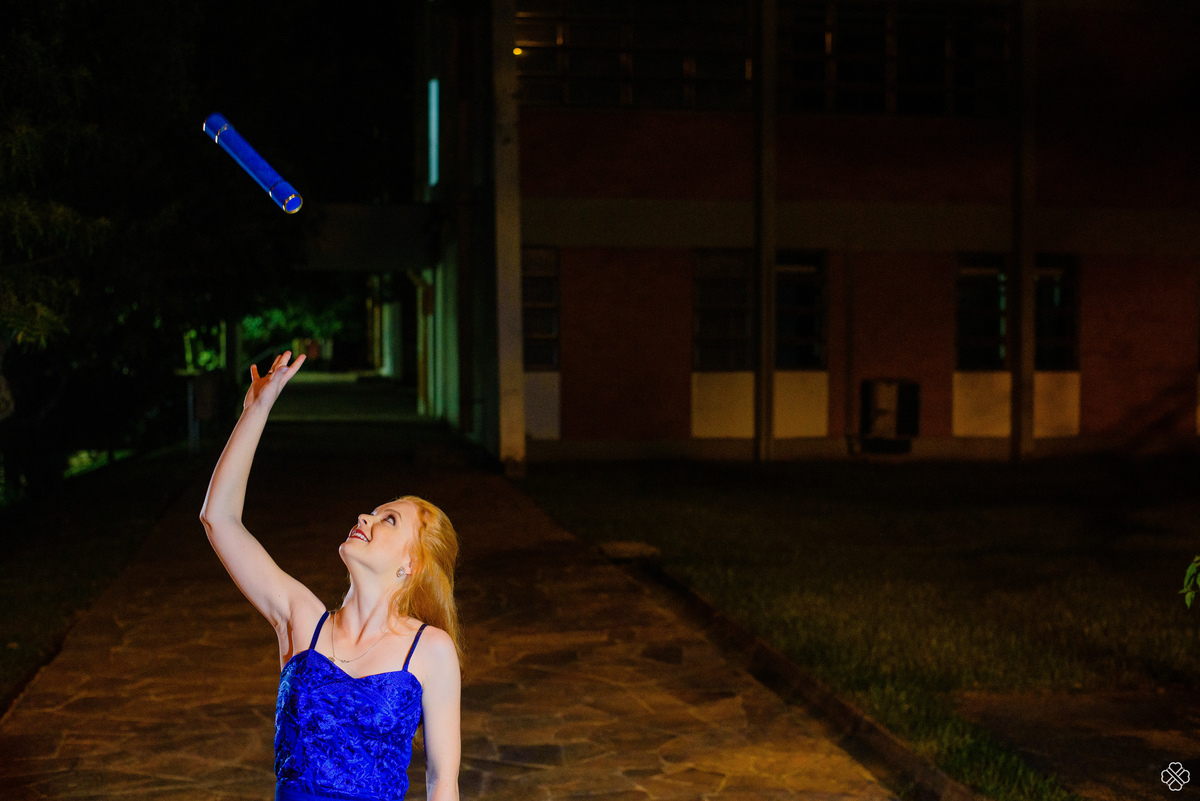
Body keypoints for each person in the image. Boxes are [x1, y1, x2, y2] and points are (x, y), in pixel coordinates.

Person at [199, 351, 461, 801]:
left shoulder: (430, 650)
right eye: (372, 512)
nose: (366, 516)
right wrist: (255, 410)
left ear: (410, 564)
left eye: (389, 520)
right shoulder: (303, 620)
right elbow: (219, 519)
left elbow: (442, 783)